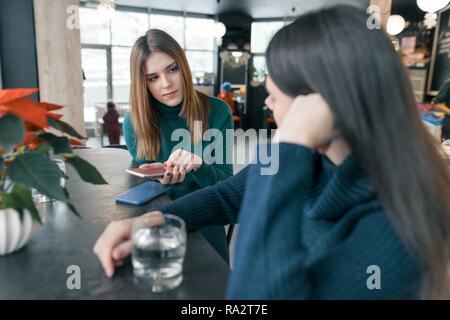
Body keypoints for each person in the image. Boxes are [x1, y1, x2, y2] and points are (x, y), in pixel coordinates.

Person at [94, 6, 450, 299]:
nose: (267, 101)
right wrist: (149, 221)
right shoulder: (315, 158)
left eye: (276, 95)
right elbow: (224, 196)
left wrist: (289, 143)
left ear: (323, 101)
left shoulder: (402, 227)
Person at [123, 29, 234, 261]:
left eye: (172, 69)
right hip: (157, 218)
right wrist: (157, 179)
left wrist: (199, 166)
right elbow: (143, 188)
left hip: (204, 215)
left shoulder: (217, 111)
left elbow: (226, 187)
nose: (166, 84)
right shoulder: (134, 122)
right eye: (153, 77)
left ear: (183, 66)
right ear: (143, 83)